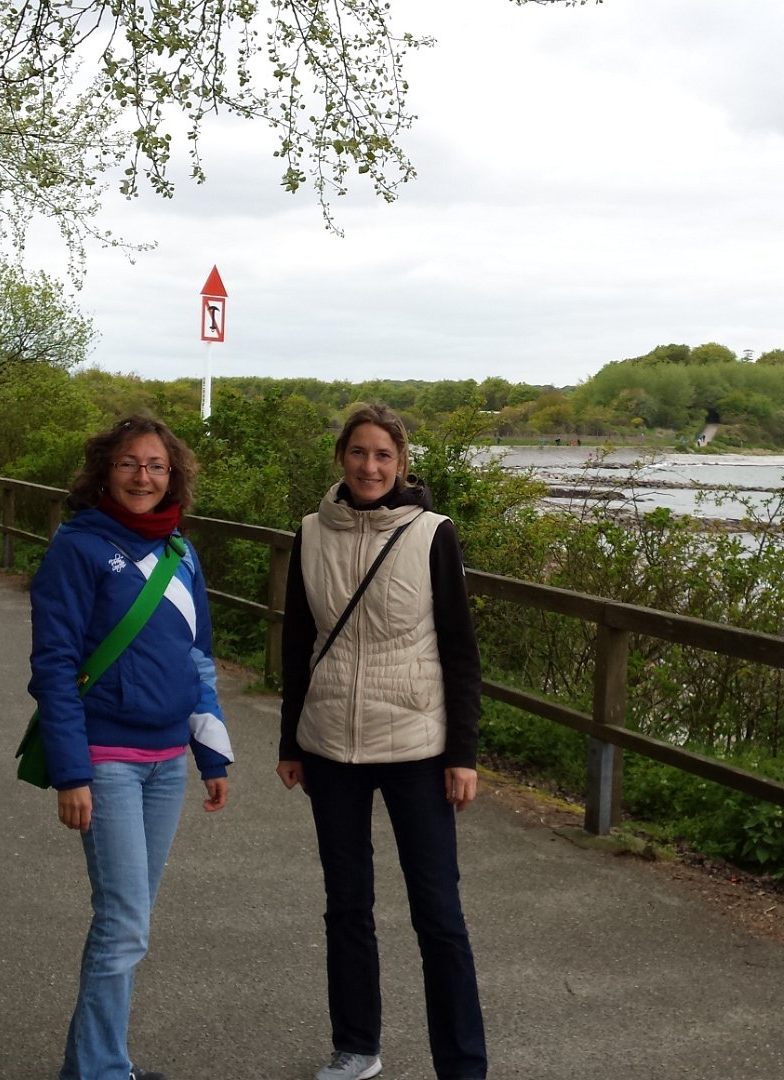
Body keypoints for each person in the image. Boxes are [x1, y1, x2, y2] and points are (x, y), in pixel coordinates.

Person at [277, 404, 488, 1080]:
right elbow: (297, 641)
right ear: (341, 456)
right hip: (329, 744)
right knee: (346, 906)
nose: (370, 467)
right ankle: (356, 1047)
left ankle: (462, 1065)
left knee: (439, 914)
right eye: (359, 452)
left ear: (401, 463)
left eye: (383, 456)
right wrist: (290, 740)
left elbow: (460, 651)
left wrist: (462, 755)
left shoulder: (432, 533)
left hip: (416, 746)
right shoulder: (311, 532)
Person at [28, 415, 233, 1080]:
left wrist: (212, 753)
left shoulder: (181, 553)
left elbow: (197, 660)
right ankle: (101, 1072)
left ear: (173, 476)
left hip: (167, 763)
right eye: (129, 464)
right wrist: (71, 773)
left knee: (130, 920)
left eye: (156, 466)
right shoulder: (79, 547)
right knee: (123, 925)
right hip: (106, 759)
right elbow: (55, 665)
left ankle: (96, 1065)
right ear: (104, 470)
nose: (143, 477)